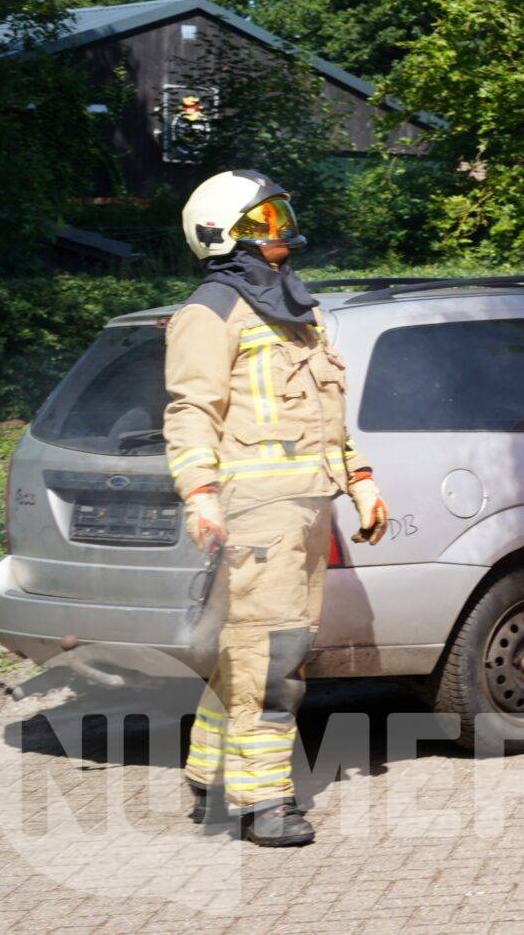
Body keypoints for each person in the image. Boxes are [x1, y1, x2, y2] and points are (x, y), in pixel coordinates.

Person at [164, 169, 391, 845]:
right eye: (262, 222)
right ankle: (263, 803)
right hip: (254, 513)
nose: (280, 232)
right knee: (271, 656)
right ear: (221, 236)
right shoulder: (208, 313)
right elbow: (190, 412)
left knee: (244, 651)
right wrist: (200, 494)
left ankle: (209, 774)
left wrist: (361, 481)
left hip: (304, 508)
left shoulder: (300, 311)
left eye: (279, 216)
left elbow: (328, 415)